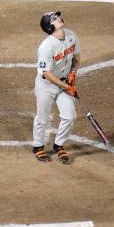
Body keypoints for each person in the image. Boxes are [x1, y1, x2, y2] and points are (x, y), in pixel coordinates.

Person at [32, 11, 80, 163]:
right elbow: (46, 73)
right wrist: (66, 86)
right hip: (46, 85)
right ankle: (38, 146)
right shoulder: (46, 47)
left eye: (57, 17)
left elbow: (77, 56)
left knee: (70, 116)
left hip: (64, 82)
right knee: (43, 117)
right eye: (54, 19)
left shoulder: (71, 35)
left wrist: (73, 73)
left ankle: (58, 144)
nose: (58, 19)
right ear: (49, 27)